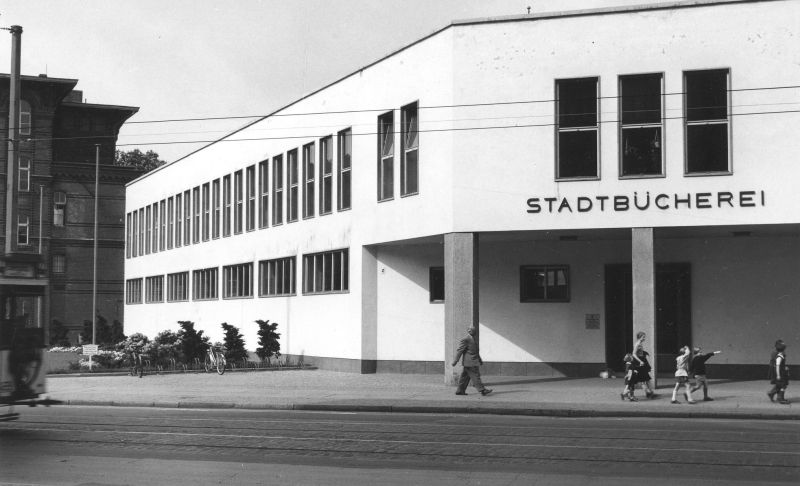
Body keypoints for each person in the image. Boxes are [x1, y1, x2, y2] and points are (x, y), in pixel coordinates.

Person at [451, 326, 492, 396]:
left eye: (474, 330)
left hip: (471, 362)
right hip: (470, 362)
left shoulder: (473, 339)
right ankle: (482, 390)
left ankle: (460, 391)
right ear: (469, 331)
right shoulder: (466, 339)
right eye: (473, 330)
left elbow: (475, 352)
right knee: (475, 376)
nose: (475, 332)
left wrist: (480, 360)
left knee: (464, 377)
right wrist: (455, 360)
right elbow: (460, 350)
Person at [767, 339, 789, 405]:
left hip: (776, 370)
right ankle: (780, 398)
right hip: (778, 371)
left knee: (780, 384)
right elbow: (777, 364)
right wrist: (778, 375)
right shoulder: (780, 355)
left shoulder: (775, 353)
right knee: (783, 384)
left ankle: (772, 393)